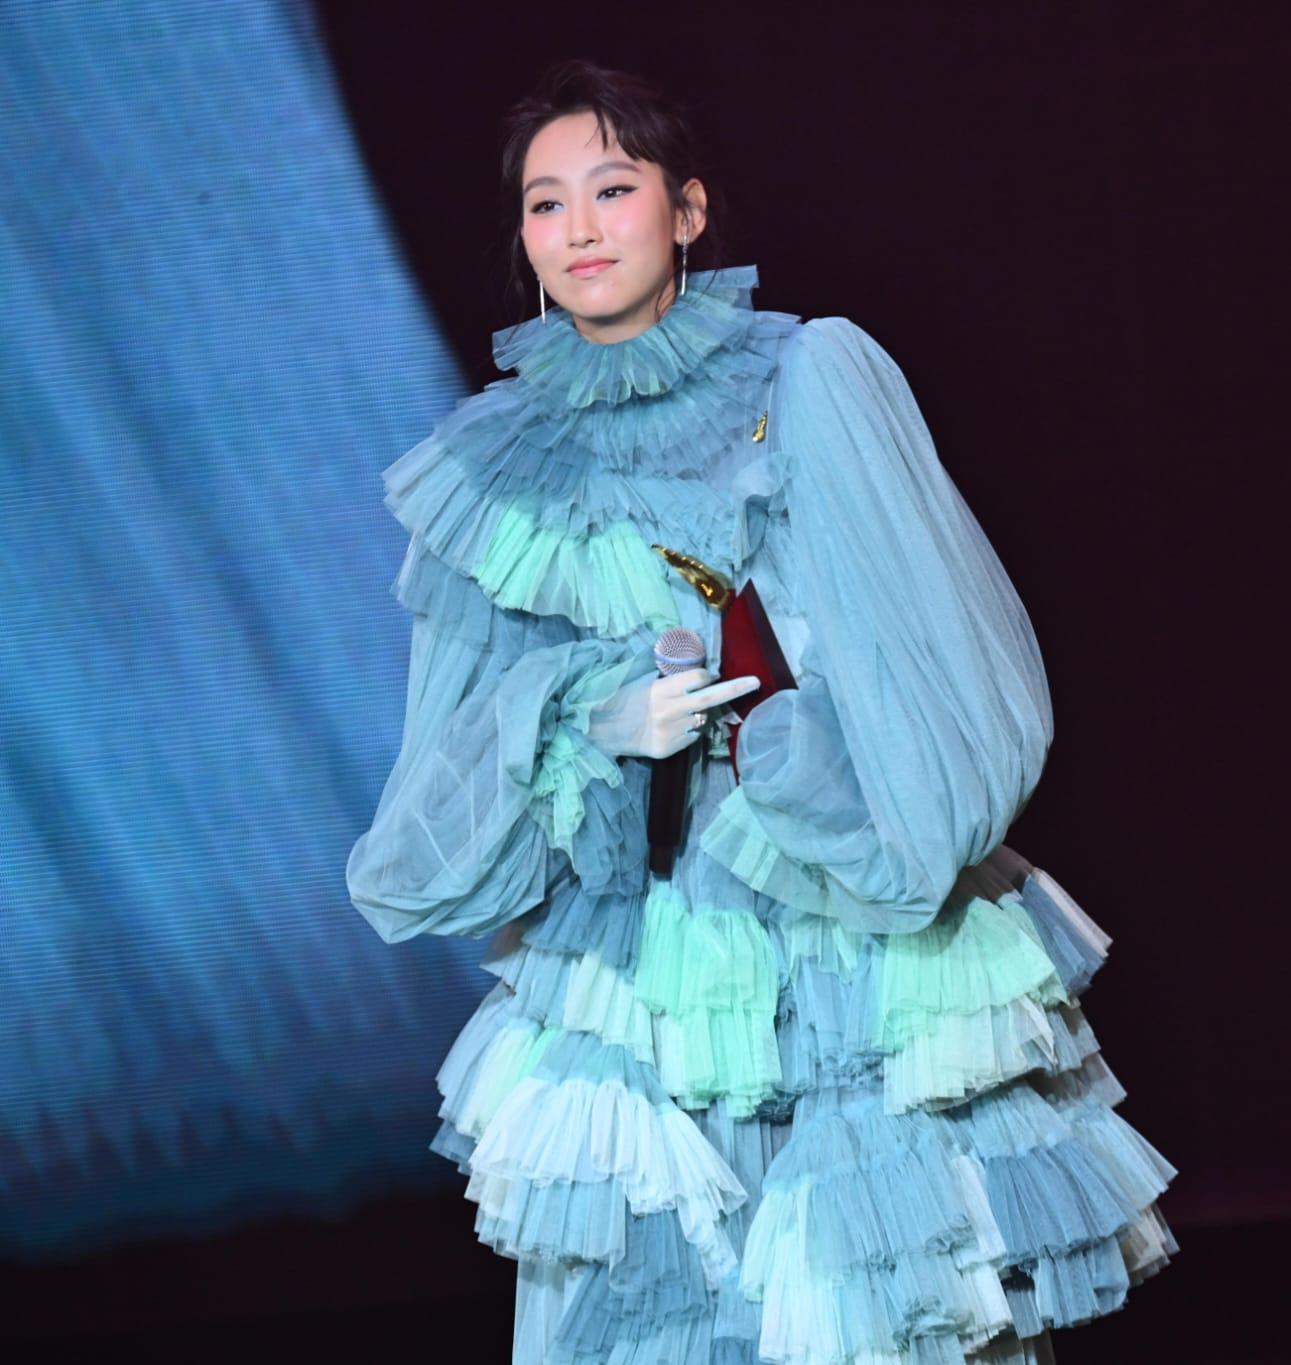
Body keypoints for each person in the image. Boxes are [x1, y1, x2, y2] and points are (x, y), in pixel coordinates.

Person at [345, 59, 1176, 1365]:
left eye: (611, 190)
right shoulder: (494, 466)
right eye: (546, 203)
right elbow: (440, 788)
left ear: (686, 210)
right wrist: (588, 718)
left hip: (843, 904)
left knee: (885, 1303)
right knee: (667, 1300)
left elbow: (946, 661)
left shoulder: (810, 378)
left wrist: (791, 746)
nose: (577, 228)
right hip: (644, 946)